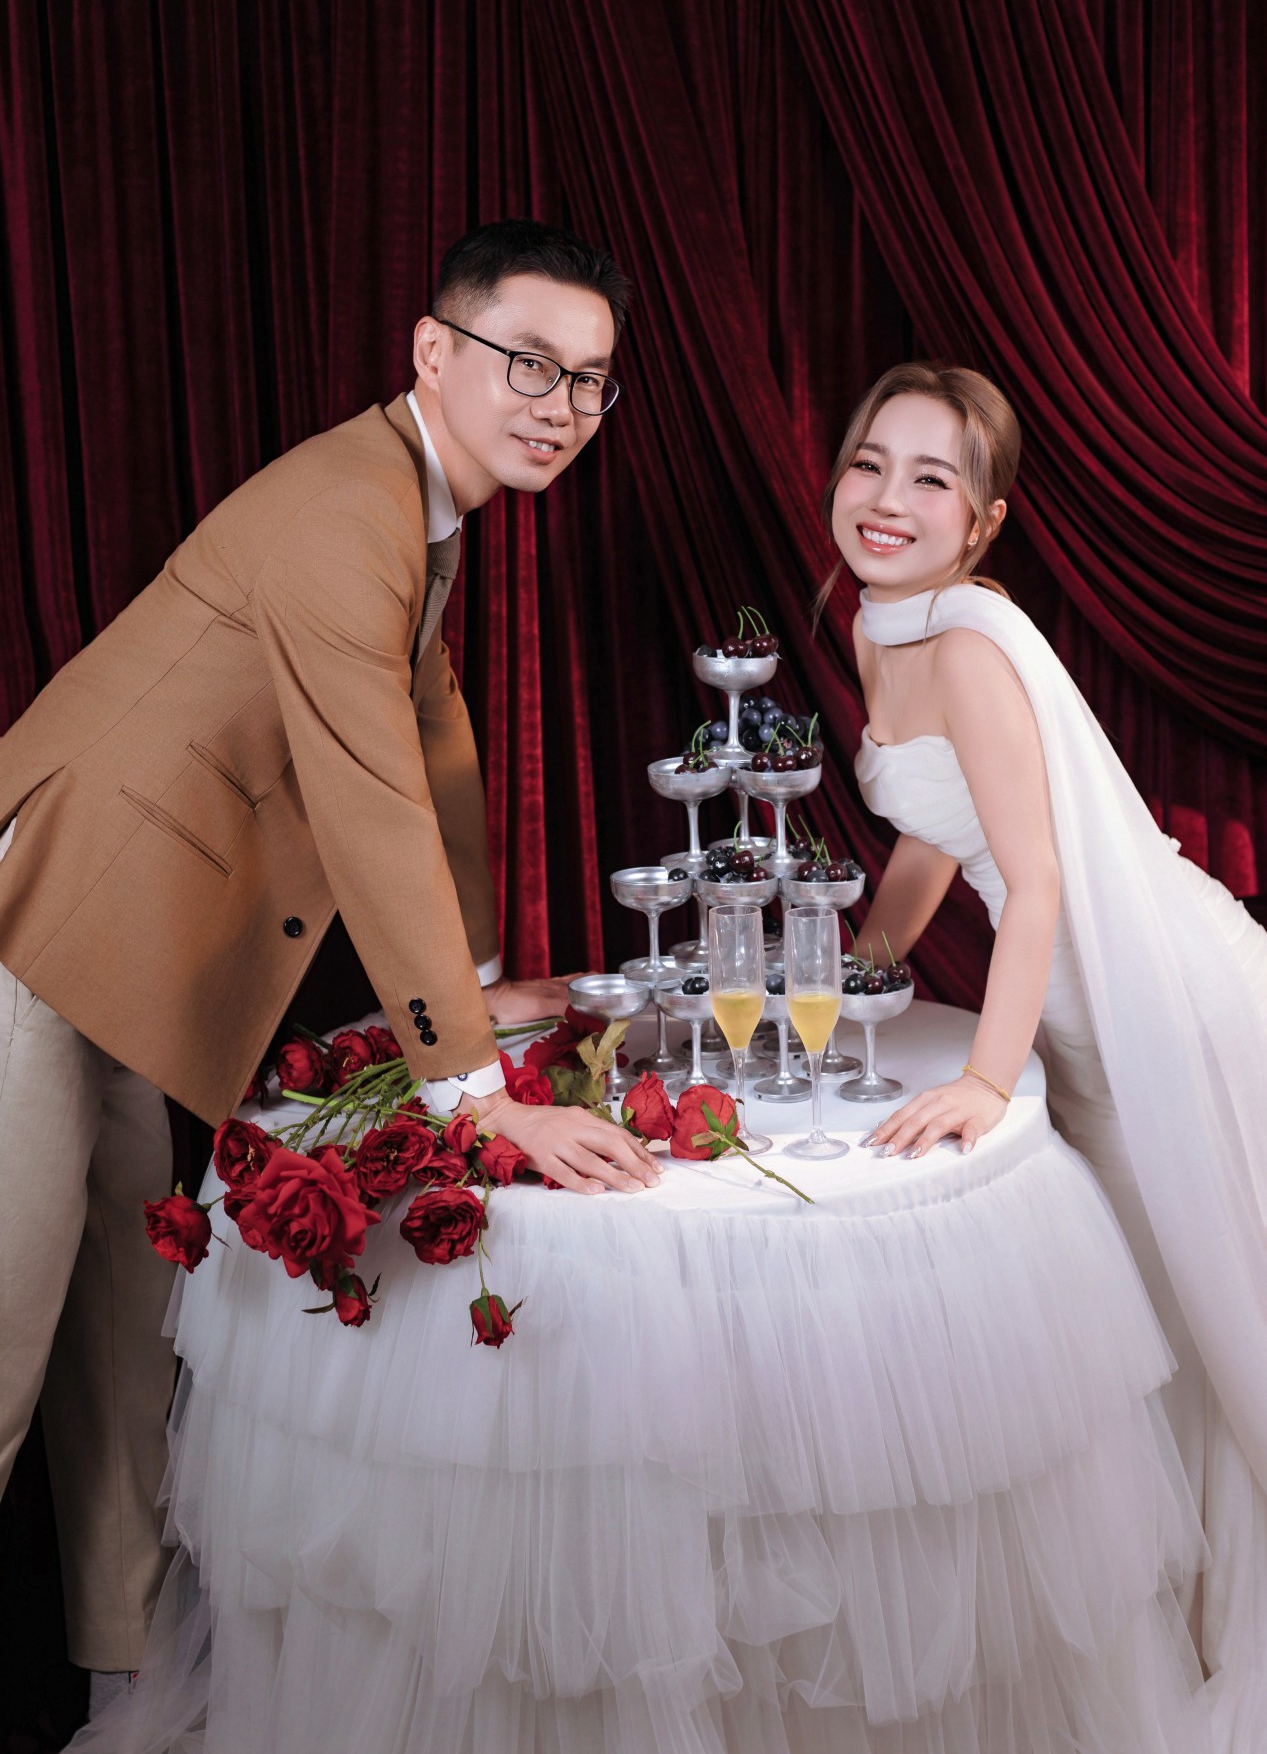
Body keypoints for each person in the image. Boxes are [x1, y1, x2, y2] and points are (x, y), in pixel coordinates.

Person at [0, 218, 659, 1711]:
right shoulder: (348, 510)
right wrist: (475, 1092)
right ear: (434, 349)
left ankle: (128, 1695)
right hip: (46, 927)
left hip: (131, 950)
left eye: (590, 380)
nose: (560, 406)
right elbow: (370, 807)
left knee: (121, 1350)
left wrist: (478, 976)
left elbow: (434, 746)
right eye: (529, 362)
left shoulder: (418, 508)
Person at [823, 361, 1267, 1750]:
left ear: (985, 521)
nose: (887, 499)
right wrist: (854, 979)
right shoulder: (874, 618)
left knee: (1231, 1316)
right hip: (1084, 1022)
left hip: (1168, 1008)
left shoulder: (966, 642)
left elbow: (1039, 882)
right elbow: (928, 831)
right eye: (868, 463)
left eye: (932, 479)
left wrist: (979, 1077)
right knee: (1171, 1320)